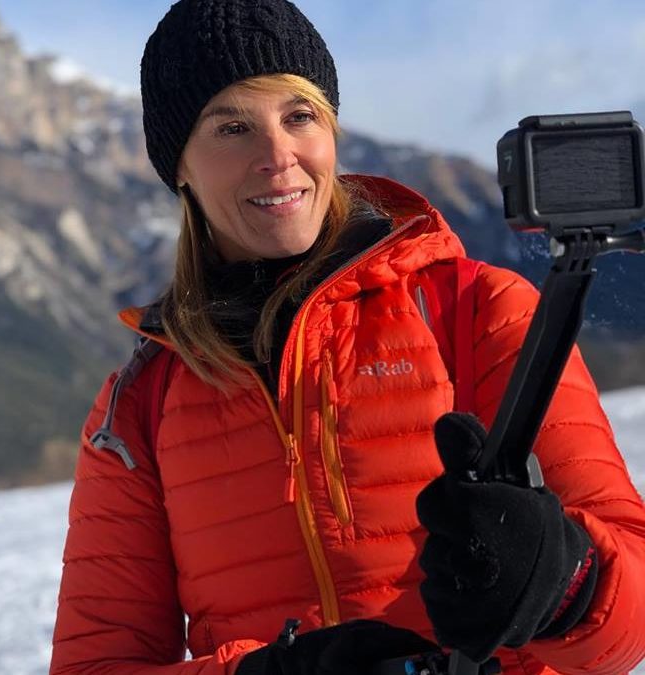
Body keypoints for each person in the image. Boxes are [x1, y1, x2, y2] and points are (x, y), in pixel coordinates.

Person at [49, 1, 645, 674]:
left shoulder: (476, 309)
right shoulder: (139, 403)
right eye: (232, 127)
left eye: (299, 116)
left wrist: (565, 585)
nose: (277, 156)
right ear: (178, 166)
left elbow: (631, 618)